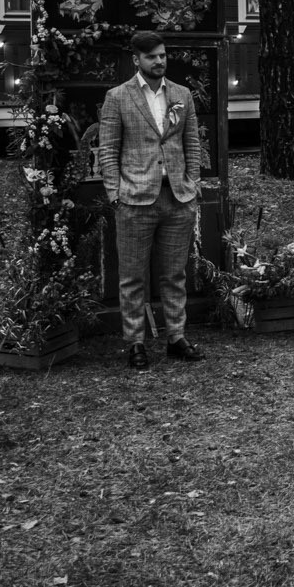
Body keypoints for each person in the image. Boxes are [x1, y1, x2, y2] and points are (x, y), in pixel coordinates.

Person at [98, 31, 208, 370]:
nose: (159, 61)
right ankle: (136, 343)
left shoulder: (182, 94)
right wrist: (114, 192)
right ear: (137, 60)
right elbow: (108, 148)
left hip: (177, 198)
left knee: (174, 274)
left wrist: (194, 183)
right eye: (151, 57)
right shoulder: (118, 97)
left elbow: (191, 142)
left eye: (162, 55)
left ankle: (176, 337)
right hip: (135, 199)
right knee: (133, 277)